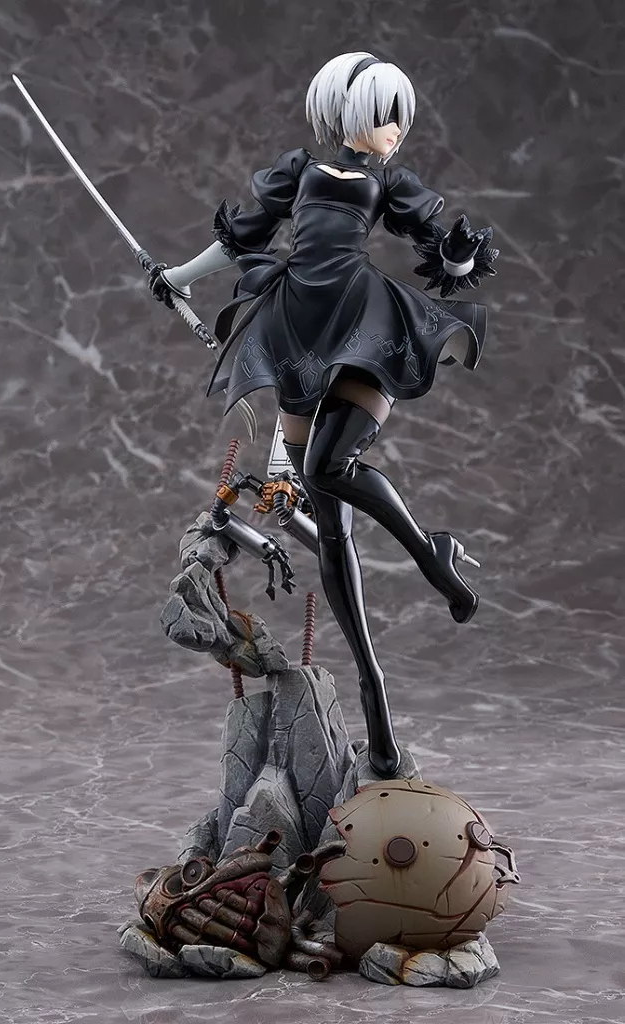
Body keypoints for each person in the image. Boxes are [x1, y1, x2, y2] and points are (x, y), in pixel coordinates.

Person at [151, 51, 499, 777]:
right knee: (331, 534)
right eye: (385, 115)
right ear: (347, 112)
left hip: (363, 325)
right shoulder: (300, 171)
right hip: (298, 332)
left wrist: (462, 259)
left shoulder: (387, 183)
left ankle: (431, 551)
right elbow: (241, 237)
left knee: (329, 466)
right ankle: (378, 715)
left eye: (401, 117)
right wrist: (175, 277)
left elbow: (442, 250)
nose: (396, 130)